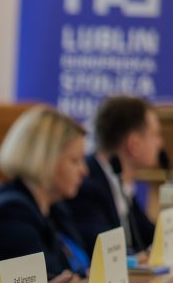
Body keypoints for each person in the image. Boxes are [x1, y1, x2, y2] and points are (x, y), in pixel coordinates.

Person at [0, 105, 89, 280]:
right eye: (75, 160)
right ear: (45, 159)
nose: (84, 171)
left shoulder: (54, 208)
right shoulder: (8, 215)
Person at [63, 95, 161, 255]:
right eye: (155, 135)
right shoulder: (87, 187)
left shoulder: (120, 183)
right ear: (134, 144)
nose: (160, 143)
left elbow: (150, 238)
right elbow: (106, 253)